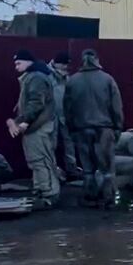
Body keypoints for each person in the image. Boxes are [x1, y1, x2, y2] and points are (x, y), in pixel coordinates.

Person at [65, 49, 124, 207]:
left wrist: (71, 128)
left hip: (81, 129)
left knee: (88, 168)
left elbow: (68, 108)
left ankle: (90, 196)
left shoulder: (72, 81)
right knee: (106, 168)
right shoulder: (107, 79)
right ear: (97, 59)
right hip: (104, 129)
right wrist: (118, 127)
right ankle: (108, 198)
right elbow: (116, 107)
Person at [8, 50, 59, 209]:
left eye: (18, 63)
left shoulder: (35, 77)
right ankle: (41, 191)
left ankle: (49, 194)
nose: (16, 67)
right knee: (36, 161)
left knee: (41, 161)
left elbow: (36, 103)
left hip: (38, 126)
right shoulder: (34, 76)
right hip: (36, 126)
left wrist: (24, 121)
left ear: (28, 61)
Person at [50, 51, 80, 181]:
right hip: (50, 115)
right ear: (56, 63)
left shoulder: (67, 78)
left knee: (69, 143)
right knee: (51, 143)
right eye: (64, 64)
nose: (66, 67)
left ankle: (72, 169)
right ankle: (52, 170)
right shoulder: (46, 76)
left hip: (64, 114)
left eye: (67, 65)